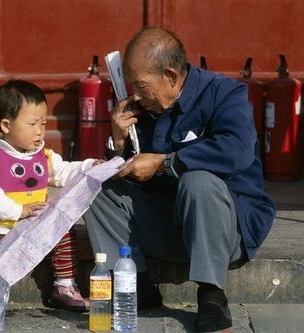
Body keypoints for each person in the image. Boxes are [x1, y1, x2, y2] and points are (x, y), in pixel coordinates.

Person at [83, 27, 276, 332]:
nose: (134, 95)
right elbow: (128, 176)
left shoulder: (225, 94)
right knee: (97, 186)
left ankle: (212, 294)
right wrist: (119, 143)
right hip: (170, 224)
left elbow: (237, 150)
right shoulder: (145, 105)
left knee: (198, 180)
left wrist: (165, 163)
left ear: (171, 76)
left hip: (225, 231)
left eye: (141, 85)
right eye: (131, 85)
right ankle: (138, 285)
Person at [0, 79, 97, 312]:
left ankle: (65, 286)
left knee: (65, 230)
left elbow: (65, 172)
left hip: (33, 228)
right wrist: (20, 211)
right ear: (6, 125)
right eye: (31, 124)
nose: (39, 131)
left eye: (43, 123)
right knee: (3, 251)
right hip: (0, 230)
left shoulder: (44, 157)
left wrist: (91, 167)